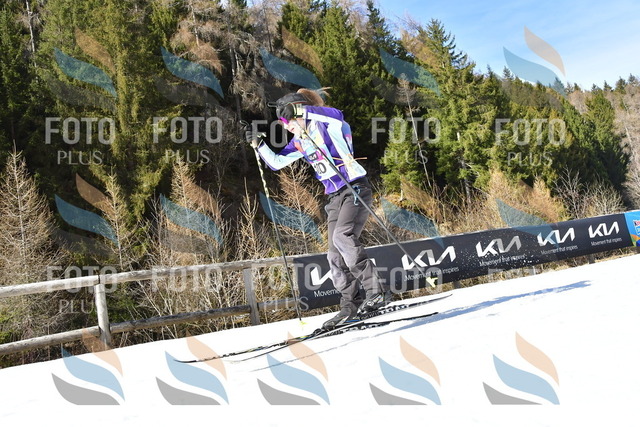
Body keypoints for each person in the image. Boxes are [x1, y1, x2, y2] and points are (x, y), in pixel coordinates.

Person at [245, 88, 391, 330]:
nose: (288, 128)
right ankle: (350, 305)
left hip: (354, 188)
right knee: (334, 255)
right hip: (334, 198)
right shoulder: (301, 141)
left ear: (299, 113)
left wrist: (300, 110)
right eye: (284, 124)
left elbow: (337, 115)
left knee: (342, 237)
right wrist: (259, 144)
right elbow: (276, 162)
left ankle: (377, 291)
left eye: (288, 122)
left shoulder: (328, 125)